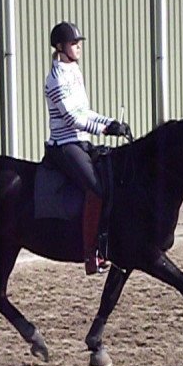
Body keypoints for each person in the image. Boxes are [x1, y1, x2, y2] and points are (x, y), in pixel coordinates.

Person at [44, 21, 130, 275]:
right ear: (60, 47)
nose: (78, 47)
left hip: (81, 141)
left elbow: (85, 112)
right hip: (64, 144)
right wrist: (104, 130)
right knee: (95, 188)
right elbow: (71, 118)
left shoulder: (74, 71)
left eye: (79, 43)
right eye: (74, 43)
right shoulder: (56, 77)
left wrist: (111, 122)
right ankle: (90, 255)